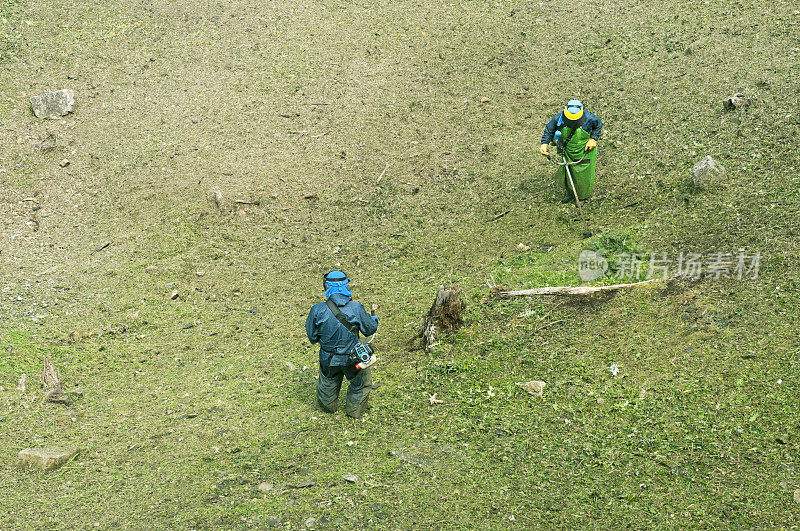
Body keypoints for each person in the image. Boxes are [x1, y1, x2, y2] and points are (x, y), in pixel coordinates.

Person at [305, 270, 379, 419]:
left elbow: (312, 337)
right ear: (346, 285)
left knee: (328, 381)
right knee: (360, 385)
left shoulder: (317, 310)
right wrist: (374, 318)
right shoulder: (356, 308)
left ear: (327, 287)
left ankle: (328, 408)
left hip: (328, 358)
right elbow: (370, 329)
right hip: (354, 358)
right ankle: (354, 413)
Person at [539, 99, 603, 203]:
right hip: (567, 151)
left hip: (585, 152)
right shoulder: (558, 118)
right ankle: (570, 193)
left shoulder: (589, 118)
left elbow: (598, 125)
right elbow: (549, 130)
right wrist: (544, 144)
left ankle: (582, 197)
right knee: (568, 174)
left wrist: (593, 139)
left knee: (583, 177)